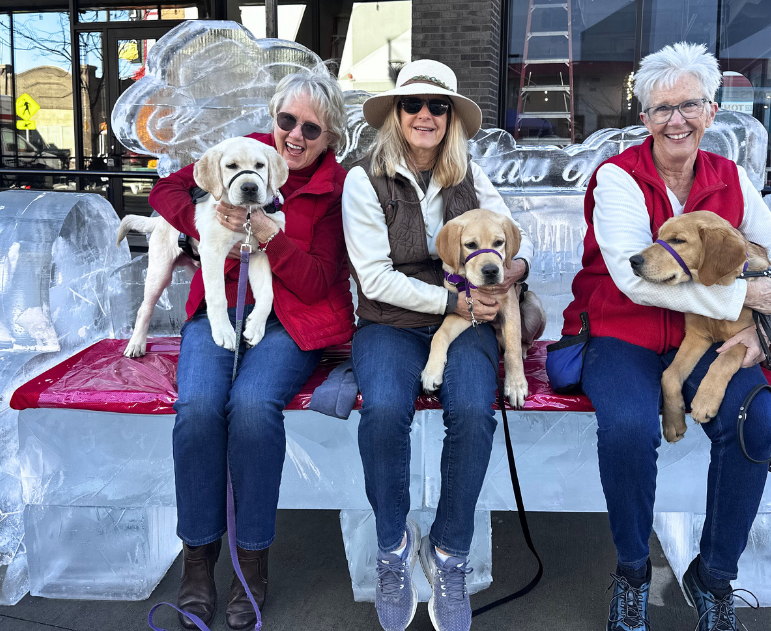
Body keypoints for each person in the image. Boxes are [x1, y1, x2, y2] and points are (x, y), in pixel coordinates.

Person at [560, 43, 771, 631]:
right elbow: (631, 281)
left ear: (711, 111)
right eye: (662, 108)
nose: (676, 120)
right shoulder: (617, 176)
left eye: (689, 105)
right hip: (620, 328)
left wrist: (768, 331)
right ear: (643, 118)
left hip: (707, 337)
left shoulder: (733, 179)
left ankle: (715, 576)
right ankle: (633, 572)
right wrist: (740, 296)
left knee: (756, 420)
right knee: (627, 425)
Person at [148, 68, 354, 631]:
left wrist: (268, 233)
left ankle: (251, 562)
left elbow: (317, 282)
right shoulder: (243, 155)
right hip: (219, 308)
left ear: (330, 135)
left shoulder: (338, 188)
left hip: (296, 320)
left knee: (253, 407)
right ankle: (198, 562)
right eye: (287, 121)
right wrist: (201, 217)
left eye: (311, 129)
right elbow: (164, 187)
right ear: (273, 119)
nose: (294, 136)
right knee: (195, 408)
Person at [343, 59, 535, 631]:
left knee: (475, 411)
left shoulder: (470, 175)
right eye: (413, 105)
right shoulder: (363, 179)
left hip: (469, 321)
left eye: (438, 106)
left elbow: (515, 241)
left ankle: (449, 551)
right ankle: (393, 547)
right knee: (381, 410)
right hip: (390, 322)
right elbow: (373, 279)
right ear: (396, 115)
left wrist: (511, 272)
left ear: (451, 118)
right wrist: (455, 303)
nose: (425, 115)